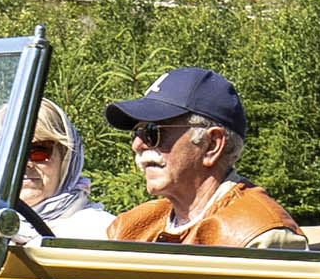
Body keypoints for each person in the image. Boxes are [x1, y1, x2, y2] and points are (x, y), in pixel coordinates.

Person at [104, 68, 302, 247]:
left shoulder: (259, 237)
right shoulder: (129, 228)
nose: (137, 144)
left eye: (152, 131)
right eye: (136, 132)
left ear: (211, 145)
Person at [15, 97, 111, 237]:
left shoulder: (100, 232)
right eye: (10, 154)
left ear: (65, 158)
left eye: (39, 150)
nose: (25, 164)